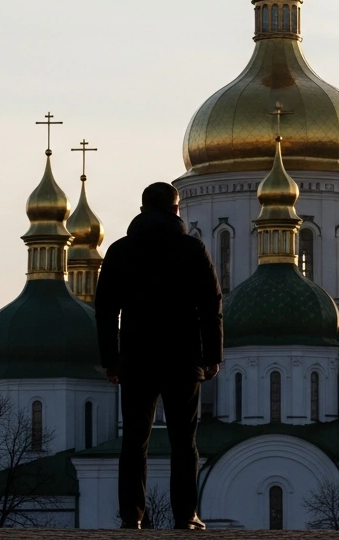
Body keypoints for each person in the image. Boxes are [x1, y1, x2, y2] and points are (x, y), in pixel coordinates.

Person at [96, 182, 222, 530]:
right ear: (176, 210)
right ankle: (186, 516)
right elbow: (210, 307)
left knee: (134, 440)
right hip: (183, 357)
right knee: (184, 441)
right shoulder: (191, 249)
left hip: (136, 358)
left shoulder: (121, 251)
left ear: (141, 210)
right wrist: (213, 356)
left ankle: (131, 516)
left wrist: (111, 361)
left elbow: (106, 310)